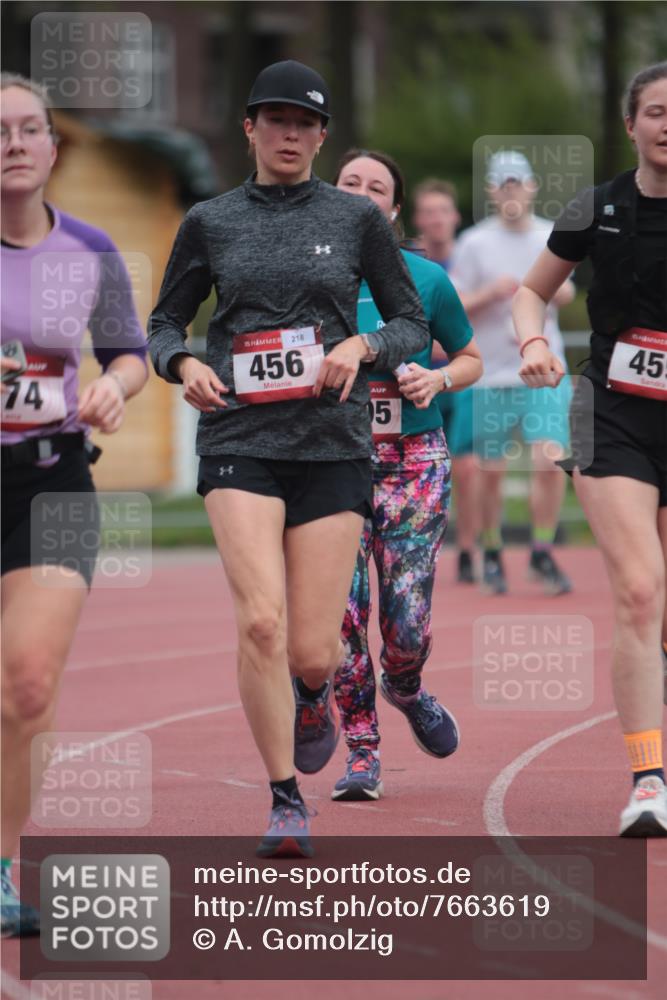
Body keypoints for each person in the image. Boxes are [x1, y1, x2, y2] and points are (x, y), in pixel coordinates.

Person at [147, 62, 429, 857]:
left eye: (303, 123)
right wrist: (182, 365)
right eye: (274, 120)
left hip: (331, 445)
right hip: (238, 439)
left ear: (321, 134)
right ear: (249, 128)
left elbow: (408, 322)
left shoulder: (355, 219)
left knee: (313, 647)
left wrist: (363, 343)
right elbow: (164, 322)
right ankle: (283, 797)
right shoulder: (210, 220)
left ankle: (314, 695)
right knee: (260, 621)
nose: (289, 134)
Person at [1, 73, 149, 936]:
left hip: (52, 477)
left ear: (54, 149)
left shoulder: (90, 250)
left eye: (30, 129)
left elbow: (127, 351)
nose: (15, 143)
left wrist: (115, 388)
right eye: (1, 131)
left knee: (25, 684)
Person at [513, 62, 667, 836]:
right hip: (610, 412)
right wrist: (531, 339)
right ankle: (647, 779)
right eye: (656, 112)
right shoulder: (597, 206)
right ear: (630, 123)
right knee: (641, 590)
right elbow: (529, 289)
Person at [331, 150, 482, 801]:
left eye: (377, 189)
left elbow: (471, 356)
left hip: (412, 462)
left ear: (393, 210)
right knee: (341, 620)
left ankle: (407, 685)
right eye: (349, 184)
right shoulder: (303, 278)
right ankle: (360, 752)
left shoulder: (426, 279)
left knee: (406, 624)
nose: (363, 195)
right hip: (330, 463)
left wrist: (438, 375)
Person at [451, 150, 576, 595]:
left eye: (517, 183)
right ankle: (493, 551)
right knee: (491, 470)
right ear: (490, 190)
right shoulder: (474, 242)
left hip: (544, 368)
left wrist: (538, 292)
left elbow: (568, 291)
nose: (510, 191)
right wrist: (489, 293)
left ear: (531, 187)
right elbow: (454, 304)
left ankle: (542, 551)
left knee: (549, 462)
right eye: (502, 184)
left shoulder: (550, 234)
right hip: (492, 374)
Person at [410, 179, 480, 583]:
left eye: (443, 211)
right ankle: (421, 543)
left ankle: (468, 547)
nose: (437, 219)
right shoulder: (406, 262)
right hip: (416, 379)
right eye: (429, 212)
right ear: (418, 219)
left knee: (467, 467)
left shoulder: (471, 258)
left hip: (458, 376)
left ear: (455, 217)